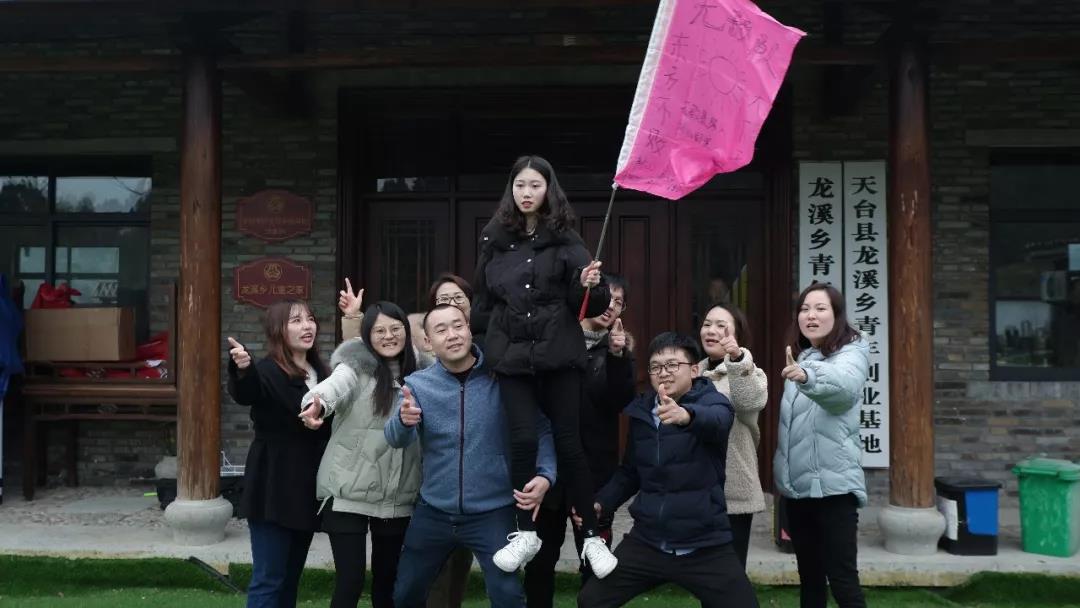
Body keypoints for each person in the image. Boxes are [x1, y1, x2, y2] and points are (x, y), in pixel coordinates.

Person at [472, 155, 617, 577]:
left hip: (559, 354)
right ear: (511, 190)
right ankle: (525, 533)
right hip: (512, 358)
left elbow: (591, 304)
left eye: (535, 185)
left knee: (570, 443)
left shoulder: (567, 238)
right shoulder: (494, 237)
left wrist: (588, 286)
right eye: (520, 185)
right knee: (522, 440)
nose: (527, 193)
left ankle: (592, 538)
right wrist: (490, 343)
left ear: (548, 189)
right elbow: (483, 301)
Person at [385, 303, 557, 608]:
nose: (452, 335)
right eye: (441, 330)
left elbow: (540, 429)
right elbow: (395, 438)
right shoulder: (418, 386)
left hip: (493, 511)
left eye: (458, 326)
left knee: (507, 596)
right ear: (428, 342)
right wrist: (402, 421)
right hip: (434, 511)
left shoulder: (504, 378)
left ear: (469, 329)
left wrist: (546, 474)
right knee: (406, 593)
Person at [577, 333, 759, 608]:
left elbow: (719, 421)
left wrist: (687, 416)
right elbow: (631, 472)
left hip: (705, 544)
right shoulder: (642, 412)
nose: (664, 373)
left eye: (673, 365)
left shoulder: (712, 401)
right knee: (591, 600)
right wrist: (602, 503)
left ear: (694, 370)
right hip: (648, 541)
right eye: (656, 366)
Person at [338, 274, 478, 608]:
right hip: (414, 483)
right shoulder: (421, 353)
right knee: (412, 575)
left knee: (450, 572)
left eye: (457, 298)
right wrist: (353, 319)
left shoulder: (484, 346)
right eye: (443, 300)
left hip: (467, 485)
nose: (451, 305)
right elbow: (366, 354)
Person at [298, 301, 433, 608]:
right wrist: (315, 403)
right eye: (379, 330)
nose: (388, 336)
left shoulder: (425, 374)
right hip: (348, 489)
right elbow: (332, 388)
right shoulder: (354, 367)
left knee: (387, 583)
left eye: (395, 329)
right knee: (350, 582)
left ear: (407, 332)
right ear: (367, 335)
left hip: (398, 492)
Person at [525, 275, 635, 608]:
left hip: (594, 477)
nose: (610, 306)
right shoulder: (557, 341)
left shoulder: (617, 352)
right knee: (540, 563)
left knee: (595, 567)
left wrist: (617, 355)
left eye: (619, 302)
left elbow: (620, 401)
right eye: (606, 297)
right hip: (550, 473)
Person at [226, 299, 330, 608]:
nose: (307, 326)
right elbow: (248, 391)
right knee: (269, 578)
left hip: (306, 488)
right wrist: (242, 368)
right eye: (296, 321)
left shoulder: (322, 372)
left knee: (290, 578)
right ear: (277, 330)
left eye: (310, 319)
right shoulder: (267, 370)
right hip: (271, 486)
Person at [775, 282, 870, 608]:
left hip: (835, 491)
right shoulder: (802, 357)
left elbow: (843, 390)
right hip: (799, 493)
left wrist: (808, 376)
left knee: (843, 583)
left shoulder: (852, 351)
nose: (810, 316)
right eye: (804, 309)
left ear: (837, 315)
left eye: (820, 308)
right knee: (811, 582)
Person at [697, 303, 767, 567]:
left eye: (721, 325)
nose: (711, 330)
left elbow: (750, 401)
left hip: (733, 493)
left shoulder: (750, 373)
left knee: (731, 573)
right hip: (697, 489)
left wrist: (737, 359)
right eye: (707, 324)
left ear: (737, 335)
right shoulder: (692, 372)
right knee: (703, 573)